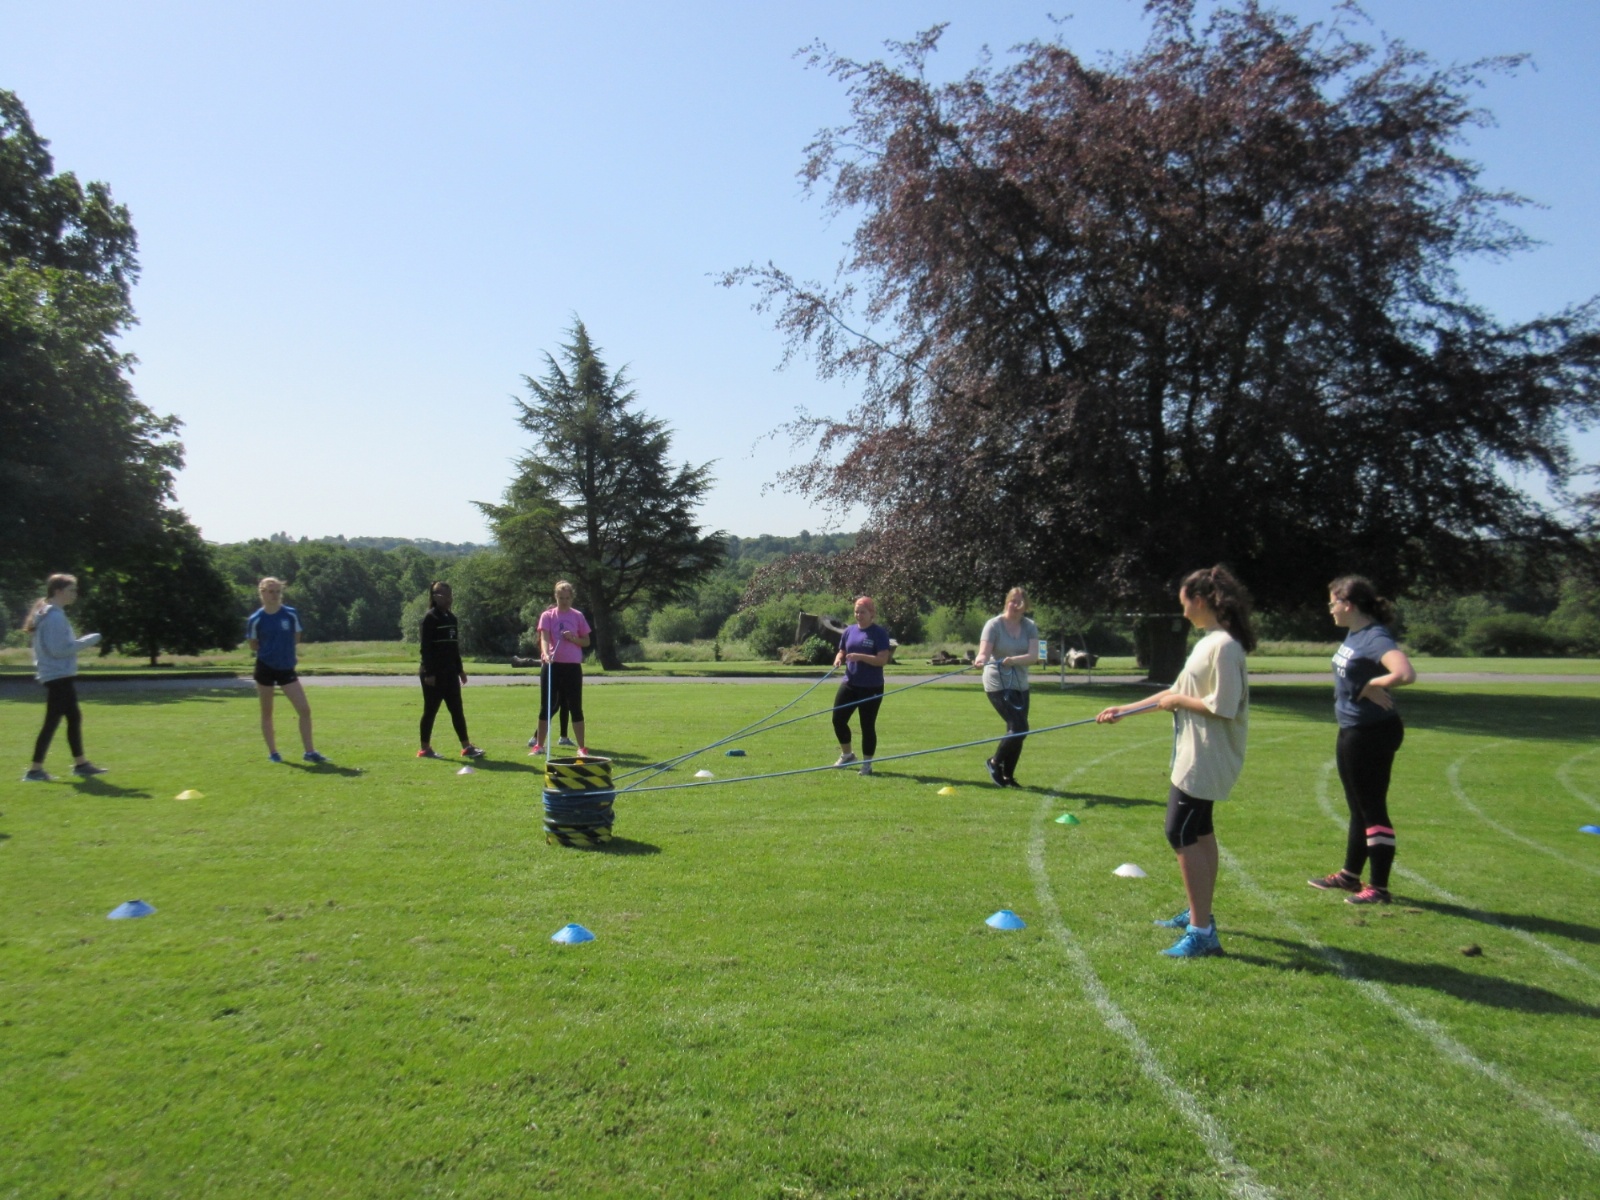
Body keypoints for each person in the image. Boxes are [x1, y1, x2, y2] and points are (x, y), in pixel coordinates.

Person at [1097, 566, 1254, 959]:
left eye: (1184, 601)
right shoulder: (1209, 642)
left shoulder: (1224, 646)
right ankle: (1200, 914)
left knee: (1179, 833)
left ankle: (1202, 933)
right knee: (1198, 831)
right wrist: (1125, 710)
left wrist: (1178, 701)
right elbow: (1175, 691)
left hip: (1206, 756)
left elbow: (1222, 706)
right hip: (1194, 753)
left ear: (1199, 600)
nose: (1182, 610)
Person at [1308, 575, 1417, 905]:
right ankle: (1349, 876)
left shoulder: (1374, 636)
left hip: (1372, 732)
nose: (1330, 610)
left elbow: (1405, 673)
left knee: (1372, 809)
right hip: (1352, 729)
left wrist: (1372, 685)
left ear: (1348, 604)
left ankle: (1379, 889)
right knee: (1358, 806)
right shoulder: (1356, 634)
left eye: (1332, 603)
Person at [22, 574, 107, 781]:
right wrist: (88, 641)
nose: (75, 594)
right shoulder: (54, 617)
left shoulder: (50, 614)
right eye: (71, 590)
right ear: (58, 591)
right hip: (57, 675)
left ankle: (81, 764)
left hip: (57, 674)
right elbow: (59, 650)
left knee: (72, 718)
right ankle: (35, 770)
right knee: (52, 722)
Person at [247, 577, 326, 764]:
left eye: (278, 592)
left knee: (304, 710)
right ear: (262, 593)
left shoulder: (290, 614)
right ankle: (273, 753)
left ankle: (310, 752)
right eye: (270, 592)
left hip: (286, 668)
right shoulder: (255, 619)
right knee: (267, 712)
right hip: (265, 668)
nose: (274, 595)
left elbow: (296, 638)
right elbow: (253, 644)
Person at [973, 586, 1039, 787]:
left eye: (1020, 602)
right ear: (1006, 602)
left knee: (1018, 730)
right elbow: (984, 652)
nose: (1015, 605)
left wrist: (1013, 660)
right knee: (1019, 727)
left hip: (1020, 683)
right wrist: (980, 660)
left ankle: (1008, 777)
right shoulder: (994, 625)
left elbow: (1033, 656)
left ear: (1026, 606)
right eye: (1012, 600)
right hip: (997, 682)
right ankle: (994, 763)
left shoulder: (1029, 626)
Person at [417, 581, 484, 760]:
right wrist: (429, 673)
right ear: (435, 597)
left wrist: (460, 670)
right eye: (444, 596)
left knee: (456, 710)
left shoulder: (451, 618)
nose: (448, 599)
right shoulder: (430, 618)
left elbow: (454, 648)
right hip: (433, 674)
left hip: (450, 673)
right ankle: (425, 749)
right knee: (430, 710)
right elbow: (425, 648)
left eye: (450, 595)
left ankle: (467, 747)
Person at [832, 596, 893, 776]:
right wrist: (838, 658)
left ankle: (867, 764)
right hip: (850, 683)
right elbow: (842, 650)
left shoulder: (878, 633)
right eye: (856, 612)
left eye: (863, 612)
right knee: (838, 719)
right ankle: (847, 755)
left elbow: (882, 660)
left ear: (871, 613)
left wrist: (860, 657)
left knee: (867, 725)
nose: (859, 615)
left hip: (871, 687)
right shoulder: (849, 631)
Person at [529, 580, 591, 755]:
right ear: (555, 597)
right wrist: (546, 653)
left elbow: (586, 641)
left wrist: (573, 638)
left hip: (572, 666)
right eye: (561, 598)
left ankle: (581, 748)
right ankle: (539, 746)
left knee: (575, 707)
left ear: (572, 598)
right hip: (552, 665)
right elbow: (544, 637)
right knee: (546, 706)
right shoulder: (548, 616)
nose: (564, 601)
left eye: (567, 598)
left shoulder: (578, 616)